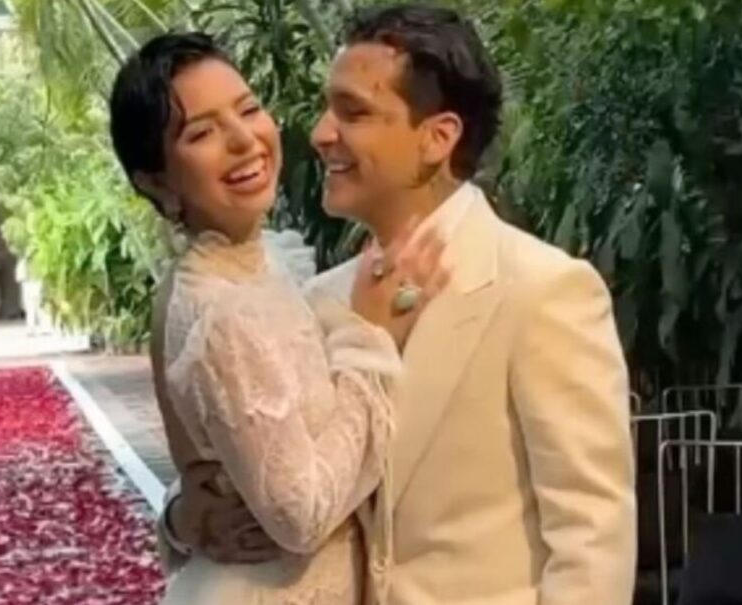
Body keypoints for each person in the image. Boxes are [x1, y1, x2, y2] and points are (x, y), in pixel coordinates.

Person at [162, 5, 638, 605]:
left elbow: (592, 543)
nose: (321, 134)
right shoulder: (320, 299)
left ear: (438, 137)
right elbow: (268, 475)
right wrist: (182, 519)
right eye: (328, 108)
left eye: (353, 112)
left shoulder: (542, 291)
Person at [108, 32, 447, 605]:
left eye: (247, 110)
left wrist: (182, 518)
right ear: (156, 180)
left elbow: (225, 467)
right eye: (202, 133)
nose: (245, 140)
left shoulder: (270, 265)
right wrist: (370, 338)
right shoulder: (218, 312)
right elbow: (301, 516)